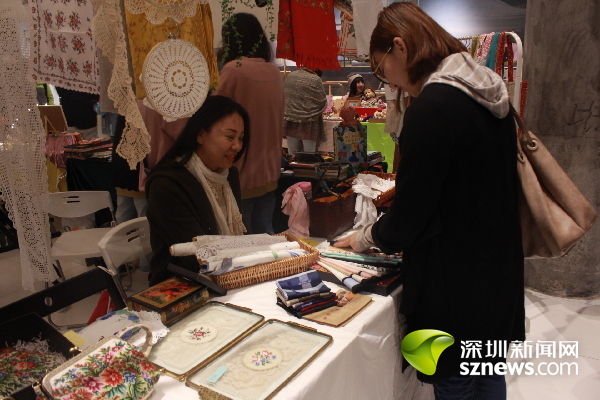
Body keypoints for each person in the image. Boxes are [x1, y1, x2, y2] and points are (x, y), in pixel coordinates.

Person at [334, 3, 524, 399]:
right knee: (488, 374)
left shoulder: (433, 107)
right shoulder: (489, 94)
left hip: (453, 282)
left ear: (400, 47)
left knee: (455, 382)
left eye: (380, 67)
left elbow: (409, 218)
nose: (386, 79)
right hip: (498, 270)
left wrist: (363, 238)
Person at [145, 96, 250, 286]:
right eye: (229, 136)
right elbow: (195, 258)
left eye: (241, 138)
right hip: (182, 285)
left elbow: (241, 235)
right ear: (201, 134)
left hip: (227, 277)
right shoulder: (168, 184)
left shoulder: (228, 175)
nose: (237, 146)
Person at [214, 13, 284, 235]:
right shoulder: (273, 71)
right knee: (265, 232)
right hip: (269, 170)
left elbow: (213, 115)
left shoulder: (233, 70)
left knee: (239, 239)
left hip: (240, 171)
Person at [283, 67, 327, 154]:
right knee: (309, 153)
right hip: (309, 121)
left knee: (292, 152)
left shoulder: (291, 75)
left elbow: (284, 95)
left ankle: (292, 163)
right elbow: (321, 101)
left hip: (290, 119)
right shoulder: (315, 79)